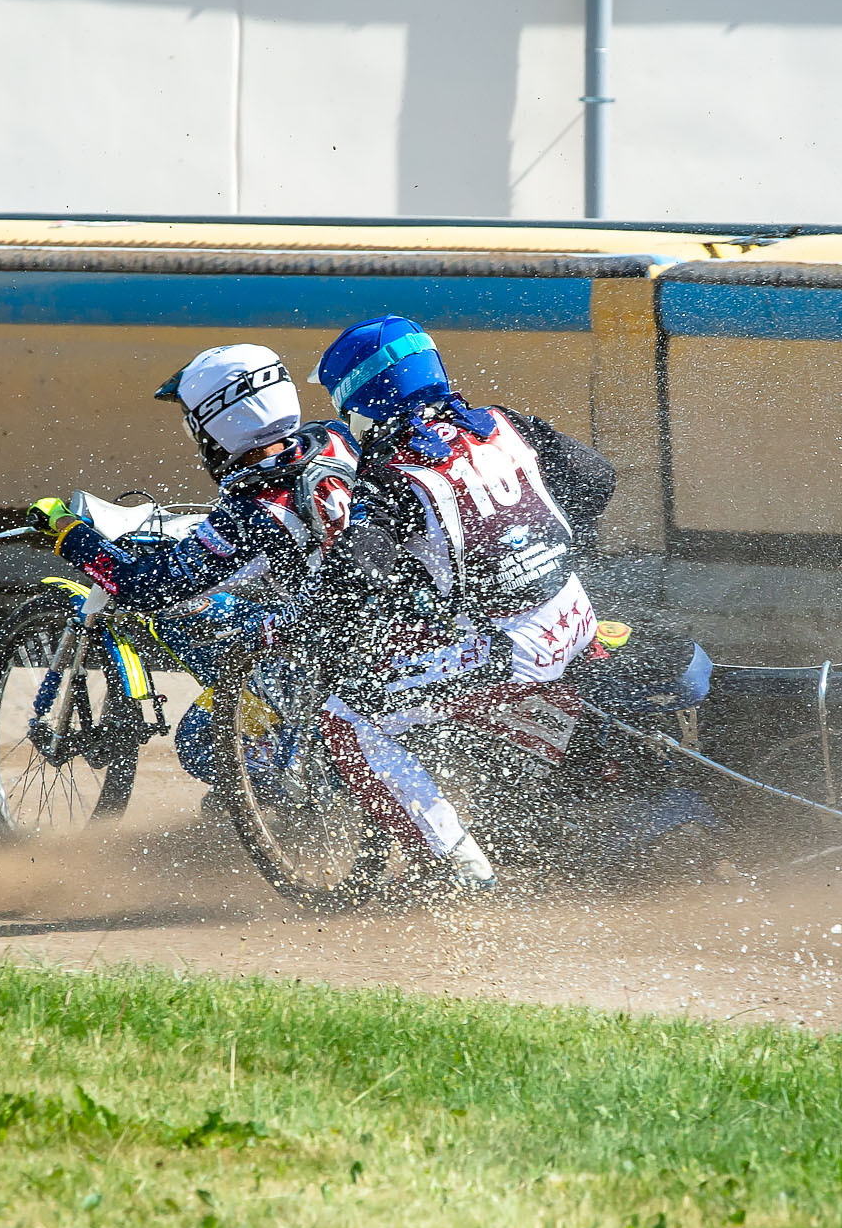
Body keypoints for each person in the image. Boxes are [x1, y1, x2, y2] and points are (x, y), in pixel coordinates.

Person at [289, 315, 606, 890]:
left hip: (513, 649)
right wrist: (532, 551)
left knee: (350, 716)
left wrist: (313, 600)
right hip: (575, 612)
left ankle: (459, 865)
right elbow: (596, 478)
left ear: (364, 397)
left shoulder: (392, 472)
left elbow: (359, 574)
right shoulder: (501, 423)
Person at [32, 343, 359, 781]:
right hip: (357, 623)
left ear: (220, 420)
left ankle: (295, 803)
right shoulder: (333, 440)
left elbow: (143, 586)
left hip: (315, 649)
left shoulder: (253, 507)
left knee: (199, 740)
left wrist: (69, 533)